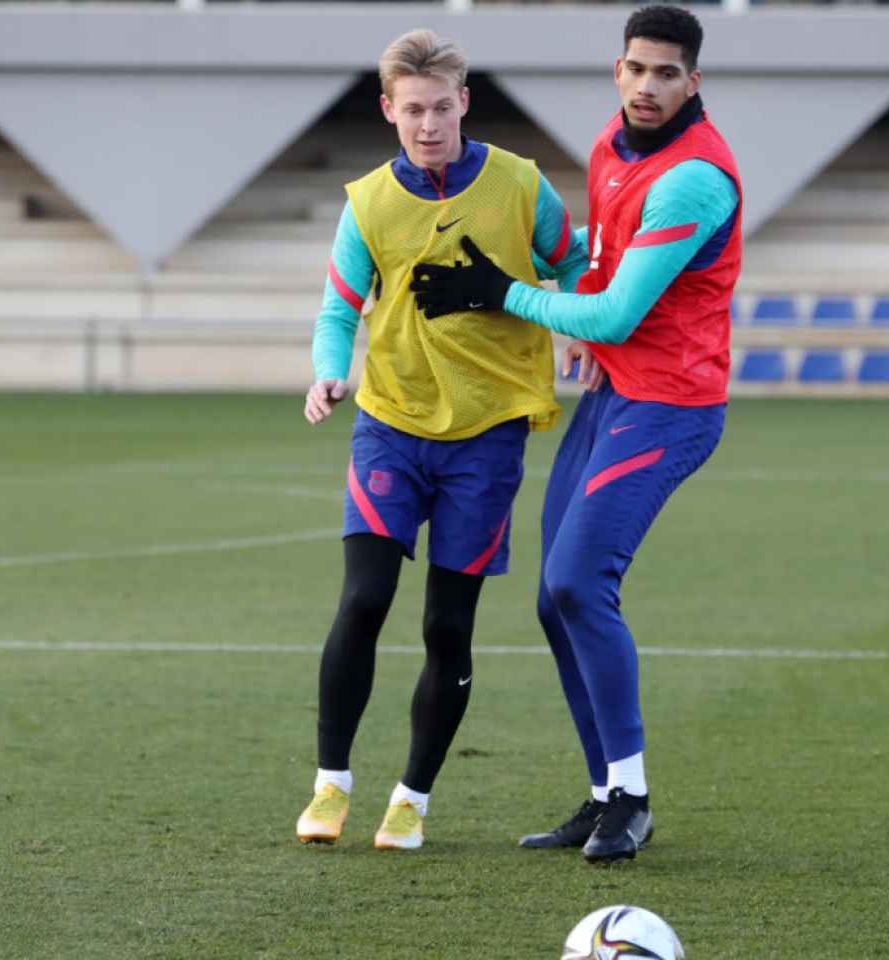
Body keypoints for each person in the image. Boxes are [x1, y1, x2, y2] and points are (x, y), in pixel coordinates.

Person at [411, 4, 742, 865]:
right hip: (616, 394)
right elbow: (601, 263)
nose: (648, 85)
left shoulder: (695, 178)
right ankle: (605, 796)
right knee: (555, 601)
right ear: (618, 69)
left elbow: (620, 307)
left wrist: (503, 291)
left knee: (578, 583)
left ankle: (631, 798)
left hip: (672, 405)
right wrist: (573, 323)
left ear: (693, 82)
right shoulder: (610, 148)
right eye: (637, 68)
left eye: (667, 73)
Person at [294, 28, 587, 852]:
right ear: (389, 110)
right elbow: (338, 309)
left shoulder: (521, 185)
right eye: (412, 109)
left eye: (442, 107)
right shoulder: (368, 204)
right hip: (390, 422)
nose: (428, 124)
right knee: (363, 600)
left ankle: (411, 798)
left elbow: (576, 260)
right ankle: (330, 786)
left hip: (488, 436)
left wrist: (579, 328)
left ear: (465, 103)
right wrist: (327, 370)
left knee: (446, 629)